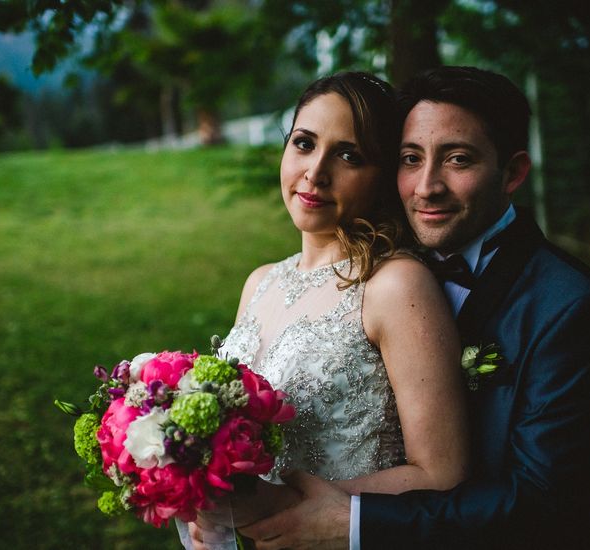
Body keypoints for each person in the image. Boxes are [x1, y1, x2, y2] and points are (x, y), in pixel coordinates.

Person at [238, 66, 590, 549]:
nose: (426, 186)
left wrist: (350, 521)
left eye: (458, 160)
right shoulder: (375, 266)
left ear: (513, 172)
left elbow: (543, 500)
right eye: (410, 158)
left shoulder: (570, 307)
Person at [187, 72, 470, 546]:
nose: (315, 173)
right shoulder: (260, 282)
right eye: (303, 143)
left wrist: (287, 509)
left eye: (348, 155)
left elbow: (443, 473)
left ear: (381, 178)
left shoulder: (395, 285)